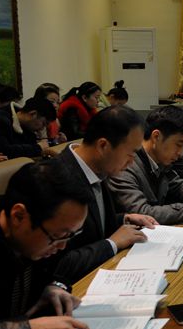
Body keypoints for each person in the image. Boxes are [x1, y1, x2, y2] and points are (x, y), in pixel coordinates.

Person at [0, 161, 92, 329]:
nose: (62, 246)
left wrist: (52, 287)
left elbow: (52, 273)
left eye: (71, 235)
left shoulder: (37, 237)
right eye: (59, 236)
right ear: (19, 216)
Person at [44, 105, 158, 284]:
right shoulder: (55, 180)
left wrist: (124, 219)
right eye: (130, 154)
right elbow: (56, 266)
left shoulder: (97, 168)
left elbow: (94, 226)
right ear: (103, 146)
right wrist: (111, 244)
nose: (132, 162)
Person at [108, 105, 183, 224]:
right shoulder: (124, 165)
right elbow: (142, 212)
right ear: (156, 137)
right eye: (179, 144)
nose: (181, 153)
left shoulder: (159, 160)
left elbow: (177, 183)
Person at [0, 97, 58, 161]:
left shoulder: (26, 125)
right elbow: (2, 152)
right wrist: (37, 148)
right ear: (33, 114)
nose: (42, 129)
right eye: (43, 123)